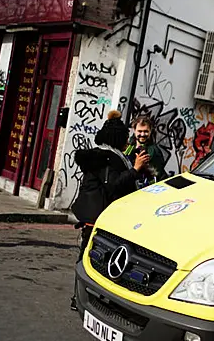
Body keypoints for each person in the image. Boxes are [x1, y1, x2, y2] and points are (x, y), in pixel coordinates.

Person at [70, 110, 149, 310]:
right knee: (91, 259)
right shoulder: (108, 159)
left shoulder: (104, 156)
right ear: (117, 139)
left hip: (95, 214)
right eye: (124, 138)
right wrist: (135, 169)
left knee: (91, 257)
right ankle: (80, 299)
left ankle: (82, 298)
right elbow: (113, 185)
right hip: (99, 216)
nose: (127, 142)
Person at [123, 114, 167, 186]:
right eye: (139, 131)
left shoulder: (153, 151)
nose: (142, 134)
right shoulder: (129, 146)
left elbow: (158, 175)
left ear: (150, 131)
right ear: (134, 130)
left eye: (146, 131)